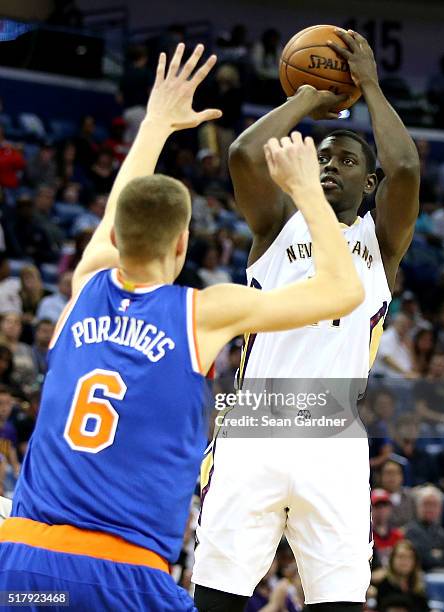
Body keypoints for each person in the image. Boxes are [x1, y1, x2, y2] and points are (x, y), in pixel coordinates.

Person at [0, 43, 364, 611]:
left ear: (115, 239)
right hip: (121, 576)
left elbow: (119, 210)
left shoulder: (84, 287)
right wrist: (307, 192)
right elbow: (344, 291)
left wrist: (155, 124)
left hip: (22, 568)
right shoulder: (202, 311)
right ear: (183, 243)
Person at [193, 28, 420, 612]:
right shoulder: (276, 227)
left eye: (346, 160)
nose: (330, 165)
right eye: (322, 157)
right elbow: (244, 153)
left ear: (368, 185)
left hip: (334, 436)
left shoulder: (381, 241)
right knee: (217, 597)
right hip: (256, 427)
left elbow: (405, 169)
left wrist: (367, 83)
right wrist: (308, 96)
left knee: (338, 601)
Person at [405, 485, 444, 571]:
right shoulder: (411, 531)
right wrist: (443, 555)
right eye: (426, 504)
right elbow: (423, 559)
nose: (430, 508)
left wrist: (438, 554)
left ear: (440, 509)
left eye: (434, 505)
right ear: (418, 507)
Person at [375, 540, 429, 612]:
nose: (405, 561)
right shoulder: (383, 583)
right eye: (401, 556)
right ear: (392, 560)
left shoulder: (418, 586)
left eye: (410, 557)